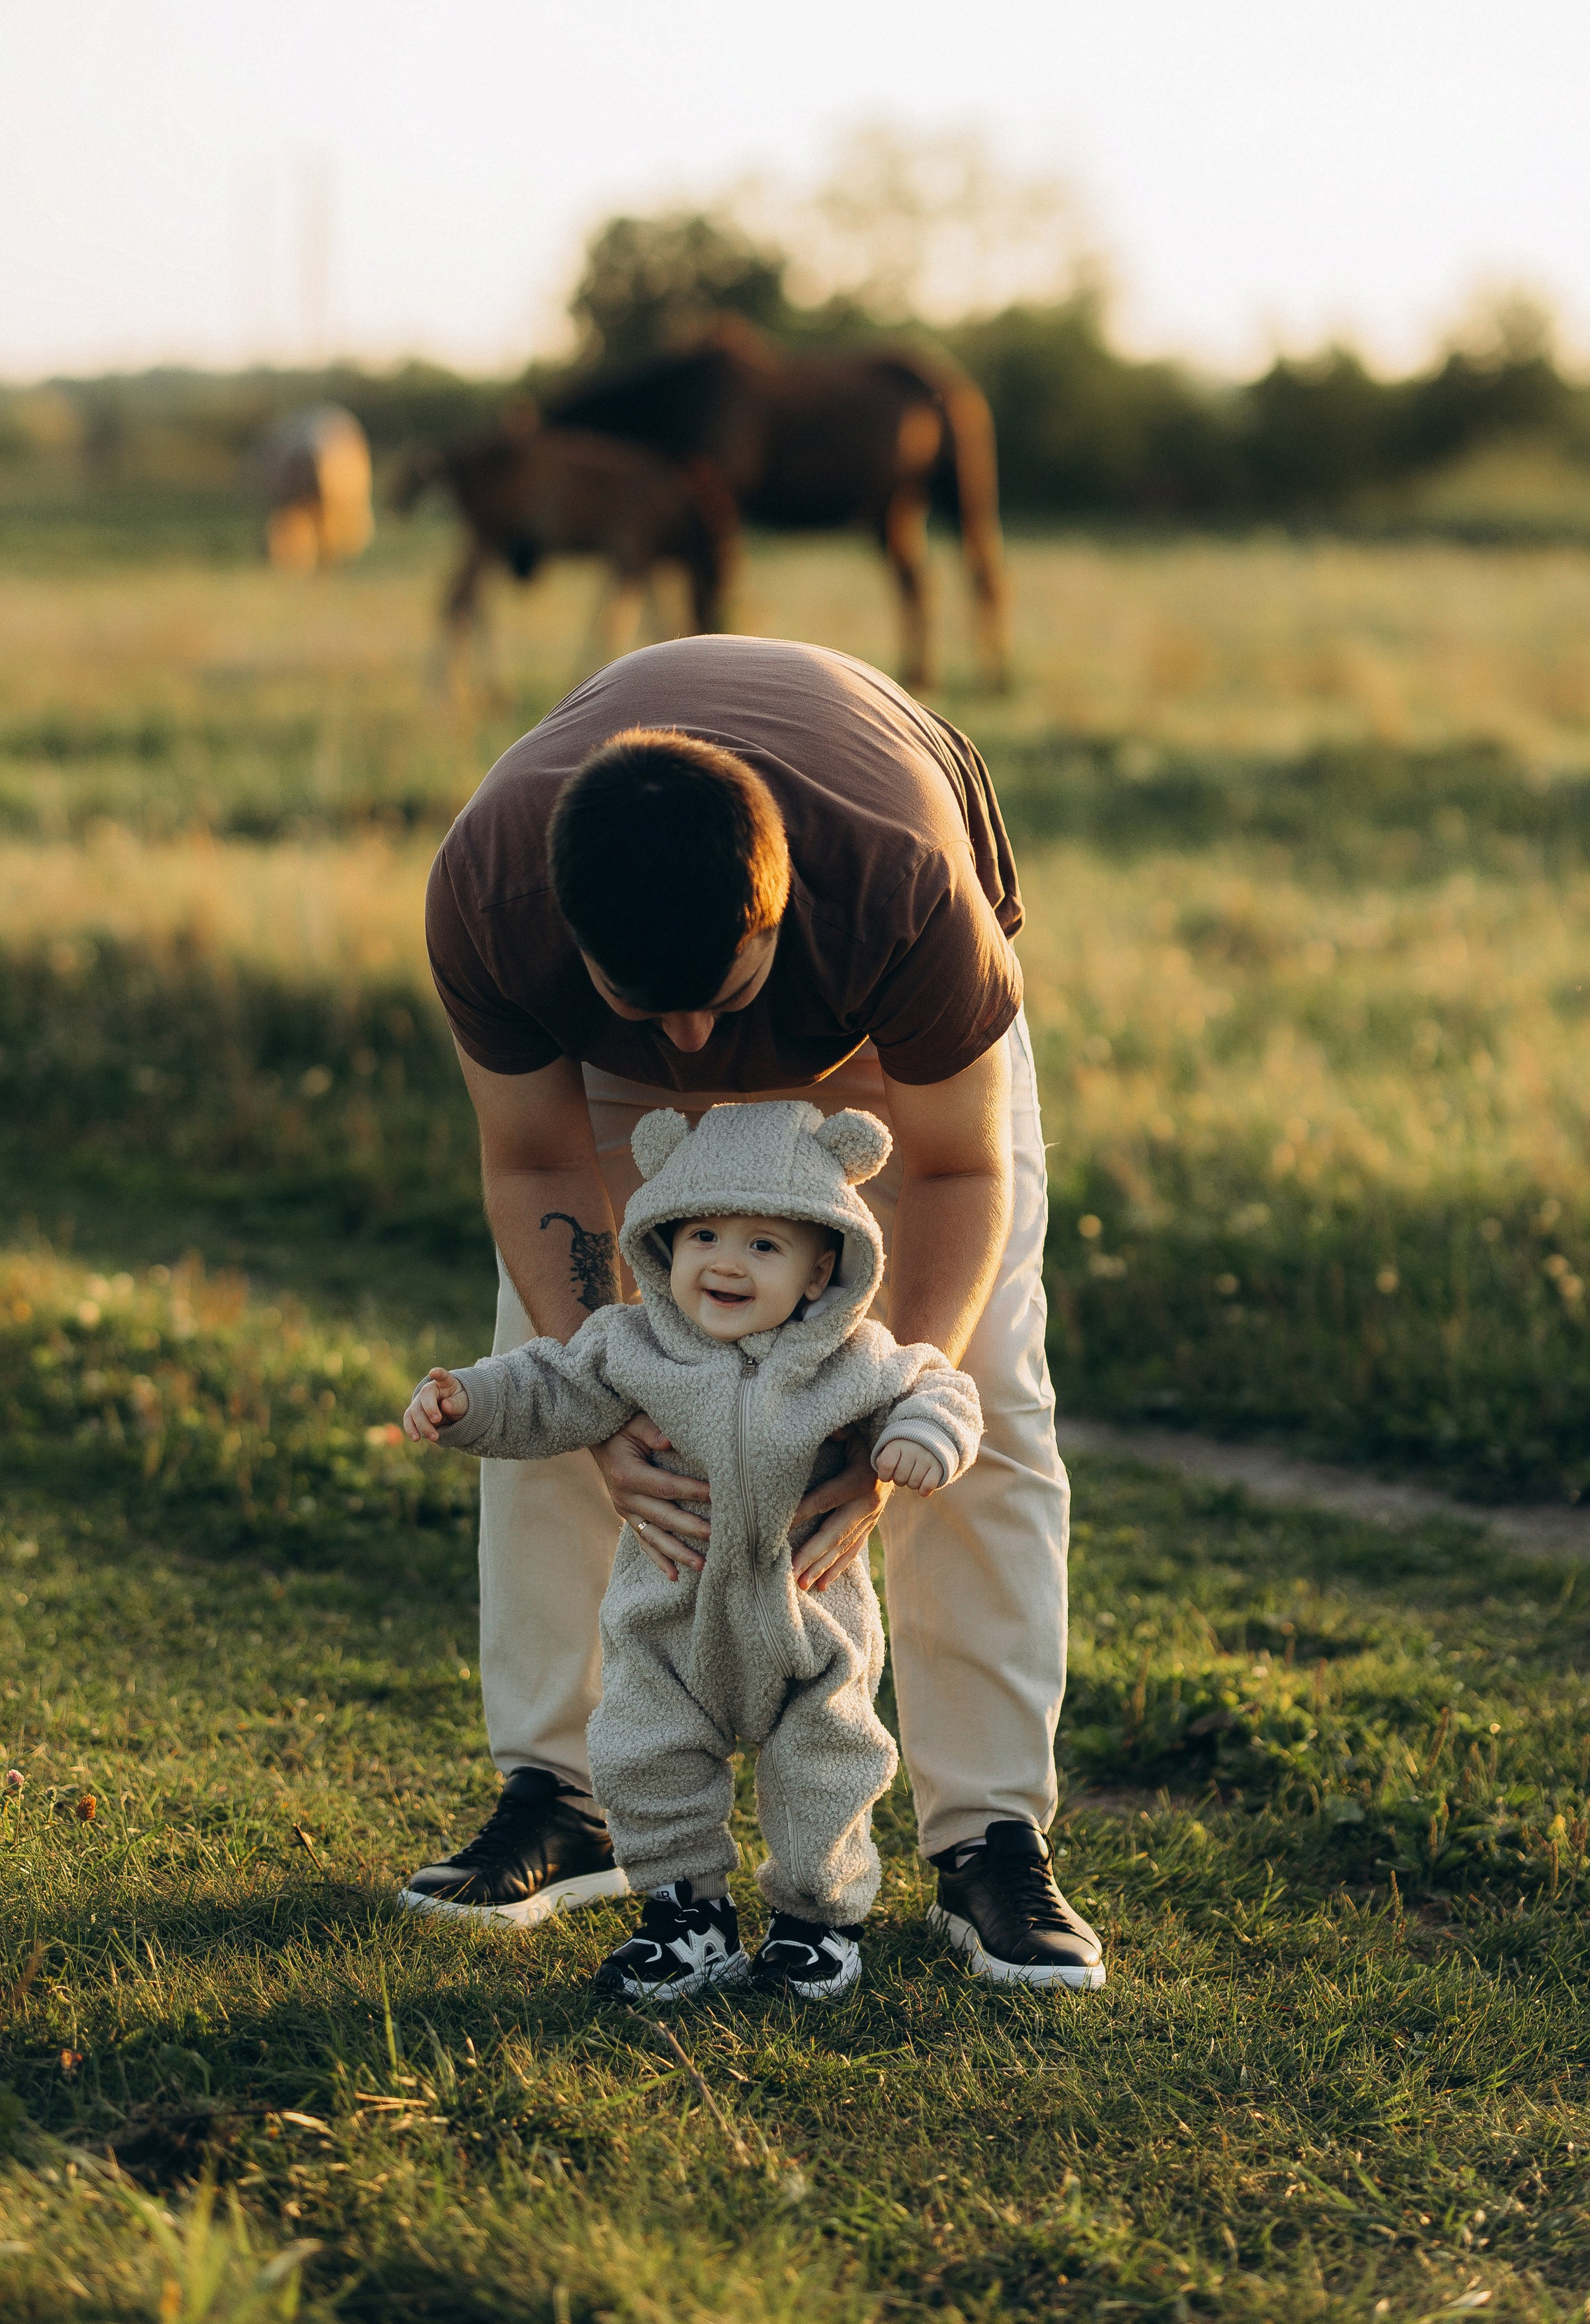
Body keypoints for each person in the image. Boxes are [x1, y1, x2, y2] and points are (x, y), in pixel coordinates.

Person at [402, 634, 1104, 1989]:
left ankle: (986, 1838)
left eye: (711, 1004)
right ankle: (564, 1796)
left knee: (987, 1406)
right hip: (614, 1078)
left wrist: (899, 1404)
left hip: (878, 1058)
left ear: (774, 922)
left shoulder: (895, 890)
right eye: (636, 1003)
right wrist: (607, 1399)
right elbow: (538, 1161)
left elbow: (956, 1166)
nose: (689, 1051)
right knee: (551, 1379)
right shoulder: (489, 897)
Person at [404, 1097, 984, 2002]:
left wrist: (917, 1442)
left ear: (823, 1264)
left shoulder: (855, 1360)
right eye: (704, 1233)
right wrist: (467, 1403)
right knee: (647, 1757)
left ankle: (814, 1929)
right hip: (669, 1618)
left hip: (812, 1623)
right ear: (664, 1242)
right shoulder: (629, 1347)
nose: (725, 1260)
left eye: (764, 1244)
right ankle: (685, 1921)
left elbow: (941, 1387)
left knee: (826, 1768)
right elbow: (545, 1384)